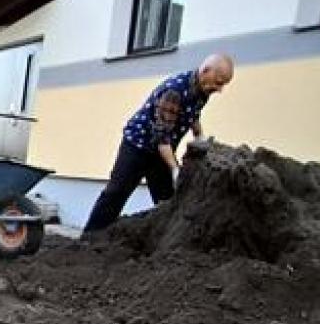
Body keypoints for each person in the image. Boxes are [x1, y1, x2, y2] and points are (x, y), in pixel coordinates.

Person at [82, 54, 233, 233]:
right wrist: (175, 169)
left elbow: (192, 113)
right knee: (117, 192)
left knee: (166, 199)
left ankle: (164, 243)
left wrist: (199, 136)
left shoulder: (202, 91)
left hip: (162, 151)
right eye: (218, 82)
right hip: (137, 146)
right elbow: (161, 137)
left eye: (222, 84)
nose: (219, 89)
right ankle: (90, 237)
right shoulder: (174, 91)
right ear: (205, 71)